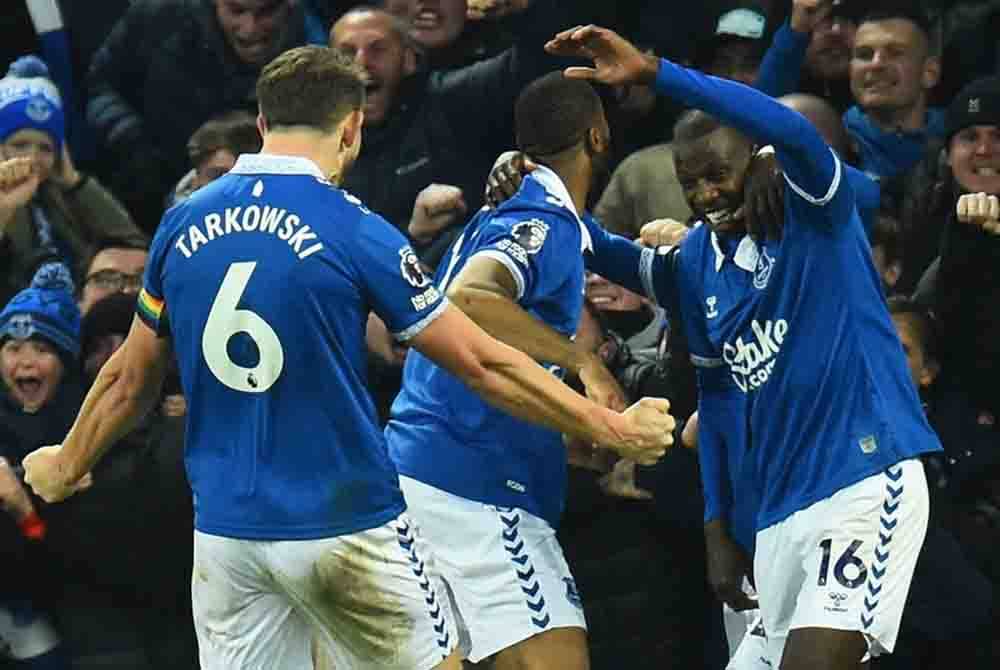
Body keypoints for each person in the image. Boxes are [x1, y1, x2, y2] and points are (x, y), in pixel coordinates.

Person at [21, 45, 673, 670]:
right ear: (353, 127)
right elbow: (482, 362)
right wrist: (607, 425)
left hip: (228, 538)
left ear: (261, 122)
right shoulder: (354, 228)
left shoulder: (181, 224)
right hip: (345, 525)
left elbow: (129, 377)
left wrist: (69, 458)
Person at [542, 22, 942, 669]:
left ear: (756, 159)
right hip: (778, 516)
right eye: (689, 182)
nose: (705, 196)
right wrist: (716, 529)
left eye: (718, 174)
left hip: (865, 477)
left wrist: (654, 72)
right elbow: (716, 398)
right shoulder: (698, 261)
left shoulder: (811, 213)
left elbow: (792, 133)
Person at [386, 71, 656, 669]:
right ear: (598, 134)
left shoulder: (513, 212)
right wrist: (583, 359)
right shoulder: (543, 221)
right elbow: (471, 300)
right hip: (474, 489)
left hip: (419, 472)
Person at [0, 57, 144, 307]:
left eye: (45, 148)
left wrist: (74, 182)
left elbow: (134, 248)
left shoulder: (64, 196)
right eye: (20, 145)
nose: (33, 157)